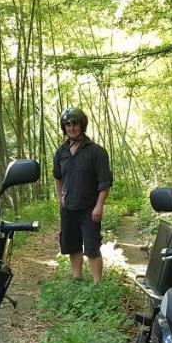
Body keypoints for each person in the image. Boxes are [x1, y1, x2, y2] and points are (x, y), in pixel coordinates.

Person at [52, 107, 113, 284]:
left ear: (82, 125)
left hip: (89, 208)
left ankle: (97, 284)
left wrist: (99, 205)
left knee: (93, 247)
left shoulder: (96, 151)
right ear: (64, 127)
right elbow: (57, 177)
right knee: (72, 245)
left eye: (75, 123)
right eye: (67, 124)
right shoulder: (61, 152)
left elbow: (105, 182)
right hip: (68, 207)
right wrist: (60, 198)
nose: (71, 127)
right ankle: (76, 279)